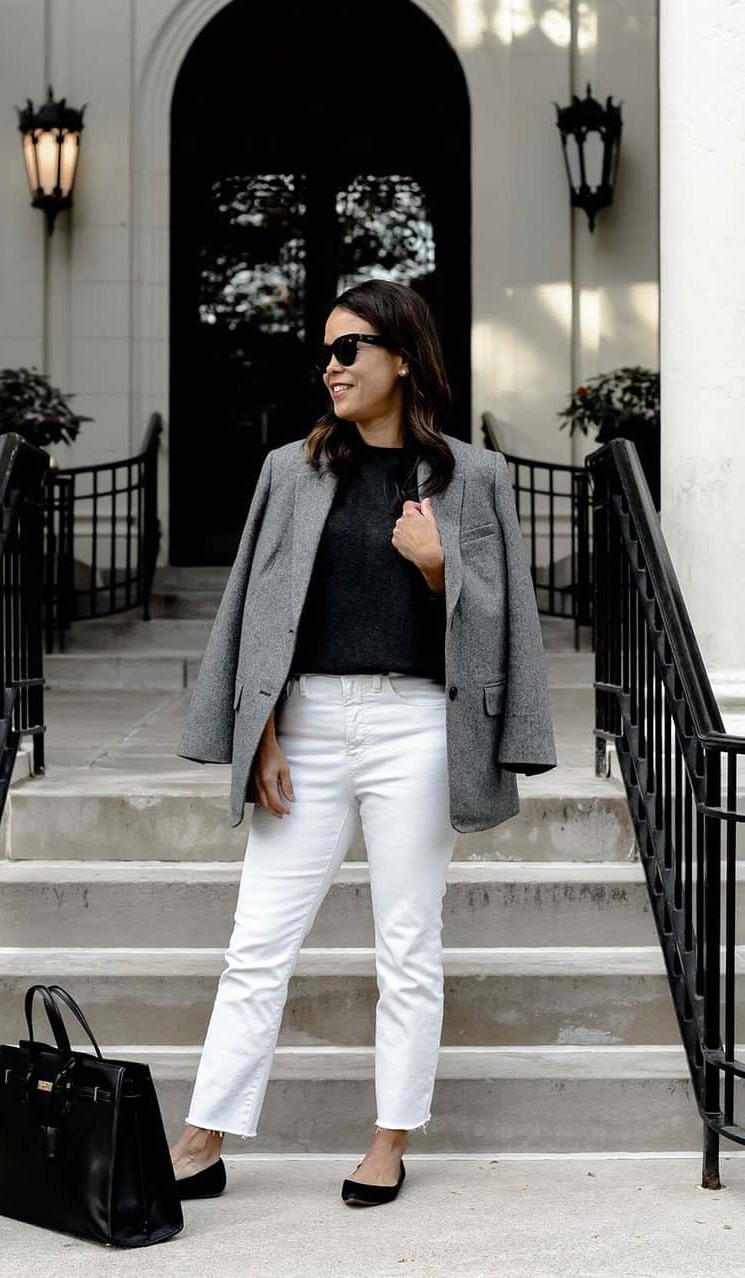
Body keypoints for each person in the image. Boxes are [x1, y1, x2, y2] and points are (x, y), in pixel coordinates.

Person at [171, 278, 556, 1207]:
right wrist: (256, 731)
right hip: (304, 723)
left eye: (350, 350)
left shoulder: (474, 478)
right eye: (328, 351)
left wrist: (439, 570)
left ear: (403, 359)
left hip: (416, 725)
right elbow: (257, 612)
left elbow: (505, 623)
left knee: (407, 942)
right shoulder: (290, 469)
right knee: (258, 940)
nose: (331, 367)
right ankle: (203, 1133)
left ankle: (388, 1139)